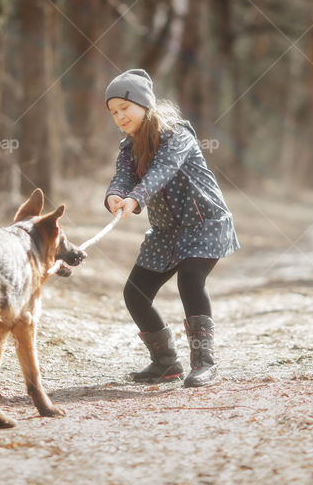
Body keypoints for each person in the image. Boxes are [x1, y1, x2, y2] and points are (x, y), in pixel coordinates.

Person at [103, 68, 240, 387]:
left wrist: (136, 199)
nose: (120, 116)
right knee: (135, 293)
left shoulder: (177, 134)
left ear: (143, 104)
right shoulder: (128, 147)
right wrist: (115, 195)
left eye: (125, 108)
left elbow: (161, 172)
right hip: (167, 232)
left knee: (190, 280)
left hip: (205, 223)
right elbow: (124, 176)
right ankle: (165, 363)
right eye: (113, 112)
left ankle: (204, 363)